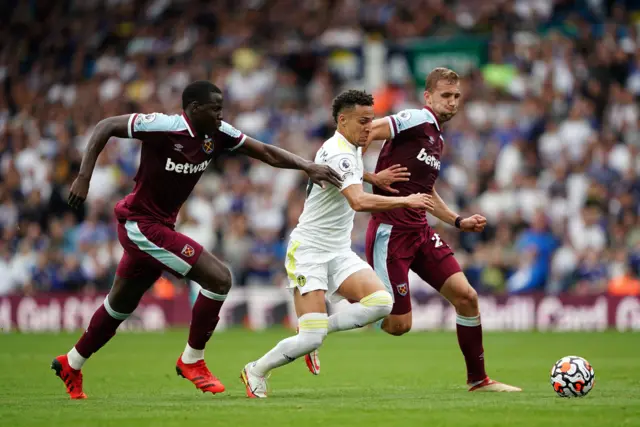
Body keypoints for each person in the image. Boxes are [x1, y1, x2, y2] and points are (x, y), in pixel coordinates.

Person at [51, 80, 344, 399]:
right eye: (215, 108)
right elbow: (106, 126)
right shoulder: (164, 126)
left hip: (160, 225)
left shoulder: (219, 133)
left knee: (120, 304)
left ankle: (72, 362)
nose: (221, 114)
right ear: (194, 108)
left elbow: (264, 151)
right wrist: (83, 177)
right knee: (220, 278)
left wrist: (307, 166)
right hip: (140, 224)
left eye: (222, 107)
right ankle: (192, 360)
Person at [305, 68, 521, 392]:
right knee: (397, 325)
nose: (452, 102)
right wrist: (367, 176)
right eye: (445, 96)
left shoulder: (437, 137)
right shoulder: (414, 119)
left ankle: (479, 380)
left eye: (456, 96)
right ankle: (328, 318)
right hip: (390, 234)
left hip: (419, 231)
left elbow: (425, 191)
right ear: (428, 97)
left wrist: (458, 221)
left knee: (467, 297)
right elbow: (363, 135)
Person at [239, 90, 434, 398]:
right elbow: (356, 201)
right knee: (310, 339)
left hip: (339, 251)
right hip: (309, 252)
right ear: (342, 121)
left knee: (381, 303)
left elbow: (349, 174)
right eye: (363, 121)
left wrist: (373, 176)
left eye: (371, 120)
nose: (370, 128)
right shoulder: (339, 151)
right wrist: (404, 199)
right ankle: (256, 370)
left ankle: (316, 331)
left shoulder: (350, 146)